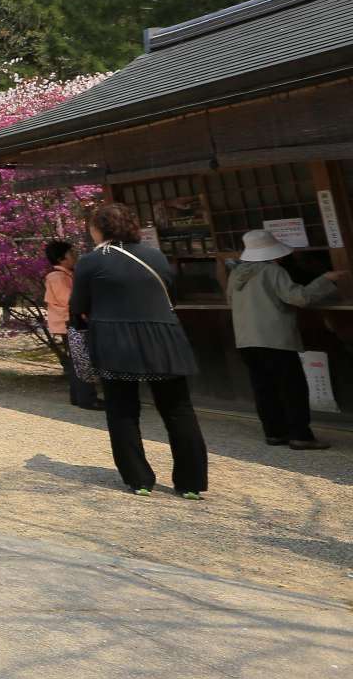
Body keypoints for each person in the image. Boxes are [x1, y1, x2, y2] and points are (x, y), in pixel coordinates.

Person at [70, 201, 208, 498]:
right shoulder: (155, 256)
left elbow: (78, 307)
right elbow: (170, 293)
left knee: (122, 410)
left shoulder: (91, 261)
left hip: (115, 340)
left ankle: (139, 479)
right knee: (178, 410)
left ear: (98, 229)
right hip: (163, 339)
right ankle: (191, 482)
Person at [228, 229, 345, 451]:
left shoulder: (236, 274)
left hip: (245, 340)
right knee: (292, 388)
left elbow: (230, 301)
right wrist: (325, 280)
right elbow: (299, 297)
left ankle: (274, 433)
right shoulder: (273, 271)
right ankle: (300, 435)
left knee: (264, 388)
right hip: (274, 339)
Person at [45, 240, 102, 410]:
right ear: (62, 258)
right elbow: (70, 301)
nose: (75, 256)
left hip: (70, 323)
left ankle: (78, 397)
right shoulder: (57, 277)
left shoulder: (67, 274)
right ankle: (87, 398)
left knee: (77, 361)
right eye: (71, 253)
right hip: (69, 324)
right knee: (82, 360)